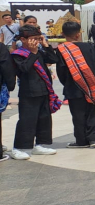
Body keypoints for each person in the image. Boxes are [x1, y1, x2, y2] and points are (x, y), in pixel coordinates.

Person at [10, 25, 60, 160]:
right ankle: (18, 148)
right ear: (23, 39)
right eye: (33, 39)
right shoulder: (17, 55)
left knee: (44, 119)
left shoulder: (39, 51)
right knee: (27, 121)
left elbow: (53, 60)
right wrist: (32, 53)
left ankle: (40, 145)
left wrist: (46, 45)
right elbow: (24, 69)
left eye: (38, 39)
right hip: (29, 92)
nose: (36, 42)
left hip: (44, 90)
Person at [55, 21, 95, 149]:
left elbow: (61, 70)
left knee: (77, 115)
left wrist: (67, 83)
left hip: (73, 87)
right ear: (78, 34)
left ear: (62, 34)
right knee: (91, 113)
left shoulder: (62, 49)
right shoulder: (88, 46)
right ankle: (94, 139)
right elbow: (94, 64)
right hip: (90, 86)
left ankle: (81, 141)